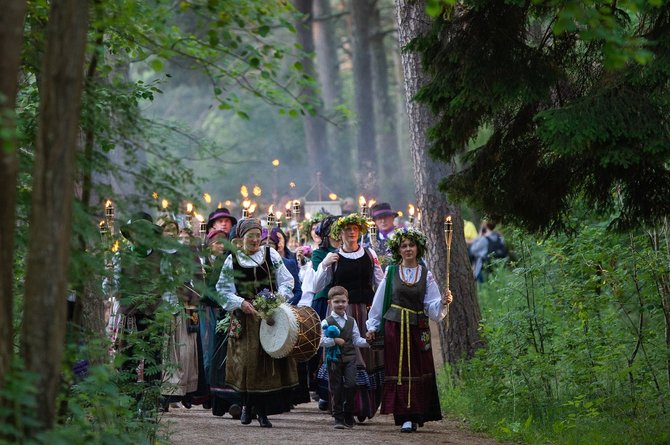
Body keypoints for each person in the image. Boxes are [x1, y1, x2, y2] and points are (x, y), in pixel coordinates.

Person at [365, 227, 453, 433]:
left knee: (418, 370)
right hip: (394, 329)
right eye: (403, 246)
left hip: (417, 328)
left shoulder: (426, 275)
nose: (407, 249)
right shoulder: (391, 272)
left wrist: (444, 302)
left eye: (411, 245)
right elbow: (379, 303)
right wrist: (372, 326)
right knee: (399, 371)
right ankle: (404, 416)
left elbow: (432, 307)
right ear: (398, 249)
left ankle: (417, 415)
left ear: (418, 248)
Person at [215, 218, 297, 428]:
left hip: (268, 317)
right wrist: (240, 303)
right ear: (240, 239)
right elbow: (223, 290)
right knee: (247, 362)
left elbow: (286, 281)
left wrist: (277, 300)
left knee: (266, 363)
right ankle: (246, 406)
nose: (254, 240)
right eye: (249, 236)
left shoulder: (271, 255)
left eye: (257, 235)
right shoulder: (232, 260)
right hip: (245, 319)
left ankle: (262, 411)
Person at [313, 213, 385, 421]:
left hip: (364, 312)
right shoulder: (334, 257)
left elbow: (379, 284)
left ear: (360, 231)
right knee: (341, 359)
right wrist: (324, 264)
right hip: (339, 314)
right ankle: (343, 409)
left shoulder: (369, 255)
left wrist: (379, 311)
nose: (351, 232)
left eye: (355, 228)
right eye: (347, 229)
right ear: (340, 233)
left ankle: (363, 407)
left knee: (365, 357)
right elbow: (318, 286)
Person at [321, 286, 370, 429]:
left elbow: (356, 340)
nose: (340, 304)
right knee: (336, 388)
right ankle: (338, 417)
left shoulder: (351, 321)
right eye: (336, 302)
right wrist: (334, 341)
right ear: (330, 303)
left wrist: (369, 342)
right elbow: (320, 341)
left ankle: (348, 412)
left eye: (343, 301)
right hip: (333, 359)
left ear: (347, 302)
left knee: (351, 384)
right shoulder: (326, 322)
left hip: (350, 357)